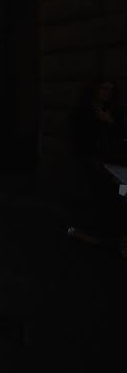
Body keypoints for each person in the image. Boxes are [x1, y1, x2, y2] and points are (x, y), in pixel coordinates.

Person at [68, 78, 127, 256]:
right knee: (110, 193)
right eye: (103, 88)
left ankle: (118, 235)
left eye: (109, 89)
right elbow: (80, 141)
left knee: (122, 192)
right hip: (93, 165)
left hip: (114, 164)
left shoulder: (113, 112)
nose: (106, 93)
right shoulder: (83, 113)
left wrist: (110, 123)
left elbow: (121, 137)